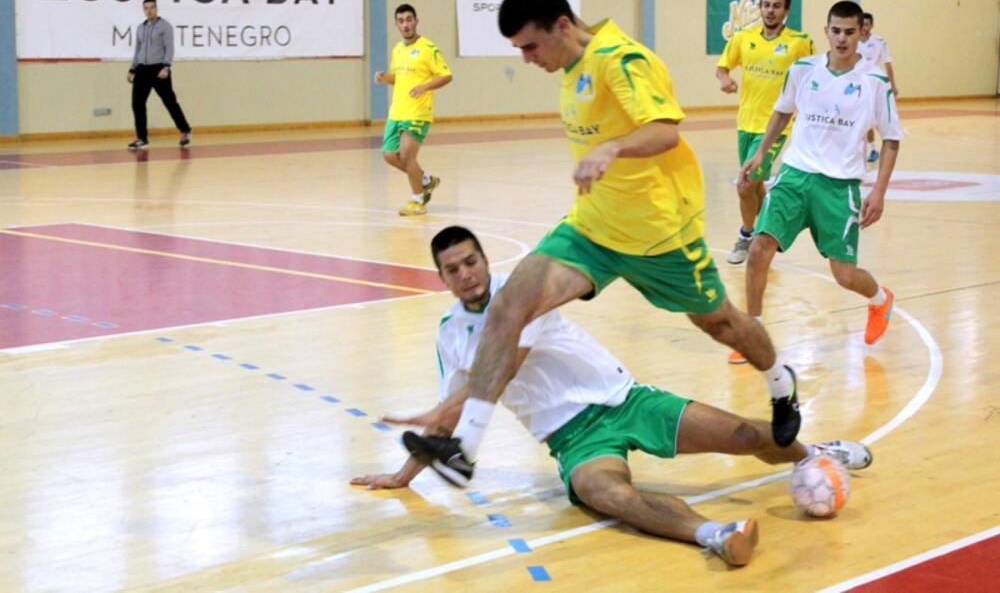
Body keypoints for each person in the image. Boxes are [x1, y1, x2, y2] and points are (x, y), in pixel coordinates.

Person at [402, 0, 802, 489]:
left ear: (561, 26)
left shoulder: (623, 60)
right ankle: (465, 450)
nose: (526, 59)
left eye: (530, 46)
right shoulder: (569, 59)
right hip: (591, 228)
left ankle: (780, 381)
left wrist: (612, 148)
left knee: (722, 324)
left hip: (659, 234)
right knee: (508, 308)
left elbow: (665, 130)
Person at [352, 226, 873, 567]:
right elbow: (446, 423)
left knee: (742, 435)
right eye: (452, 269)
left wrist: (445, 411)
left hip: (625, 400)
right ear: (442, 278)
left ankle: (815, 454)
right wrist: (403, 474)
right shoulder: (449, 333)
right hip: (573, 439)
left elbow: (504, 365)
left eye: (470, 262)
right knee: (610, 496)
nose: (465, 274)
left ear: (486, 260)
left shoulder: (522, 295)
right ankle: (716, 534)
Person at [739, 0, 901, 347]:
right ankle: (753, 332)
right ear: (826, 31)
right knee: (759, 249)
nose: (842, 38)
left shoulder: (874, 80)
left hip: (839, 187)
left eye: (849, 32)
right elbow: (782, 112)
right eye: (836, 31)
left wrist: (878, 192)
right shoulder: (803, 69)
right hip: (795, 175)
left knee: (845, 275)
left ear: (861, 34)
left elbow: (891, 139)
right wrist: (761, 152)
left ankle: (880, 300)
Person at [716, 0, 814, 274]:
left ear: (786, 10)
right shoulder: (743, 38)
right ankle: (765, 232)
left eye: (777, 6)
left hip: (776, 126)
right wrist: (724, 79)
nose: (771, 11)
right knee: (755, 186)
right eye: (766, 5)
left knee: (745, 182)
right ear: (760, 8)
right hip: (745, 123)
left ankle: (746, 236)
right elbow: (723, 67)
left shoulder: (800, 42)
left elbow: (811, 80)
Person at [374, 3, 453, 216]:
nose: (406, 24)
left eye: (409, 19)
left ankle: (418, 200)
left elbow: (446, 75)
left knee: (408, 156)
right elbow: (400, 78)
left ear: (416, 21)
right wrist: (385, 78)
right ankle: (425, 180)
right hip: (397, 111)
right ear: (396, 24)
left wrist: (424, 87)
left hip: (418, 112)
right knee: (389, 155)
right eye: (401, 21)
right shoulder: (397, 50)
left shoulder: (428, 48)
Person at [127, 0, 192, 151]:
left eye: (152, 7)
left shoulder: (165, 26)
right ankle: (142, 138)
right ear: (143, 10)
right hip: (142, 69)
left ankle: (185, 130)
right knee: (137, 104)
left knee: (170, 102)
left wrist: (166, 67)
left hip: (159, 69)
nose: (149, 11)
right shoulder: (141, 28)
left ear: (156, 9)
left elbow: (169, 48)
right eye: (146, 8)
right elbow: (138, 50)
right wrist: (132, 68)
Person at [858, 12, 899, 162]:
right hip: (857, 85)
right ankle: (869, 148)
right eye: (862, 24)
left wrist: (893, 85)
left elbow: (888, 63)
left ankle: (874, 148)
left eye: (867, 24)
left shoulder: (879, 41)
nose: (864, 27)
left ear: (872, 26)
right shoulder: (853, 41)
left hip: (873, 85)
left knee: (874, 118)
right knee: (861, 117)